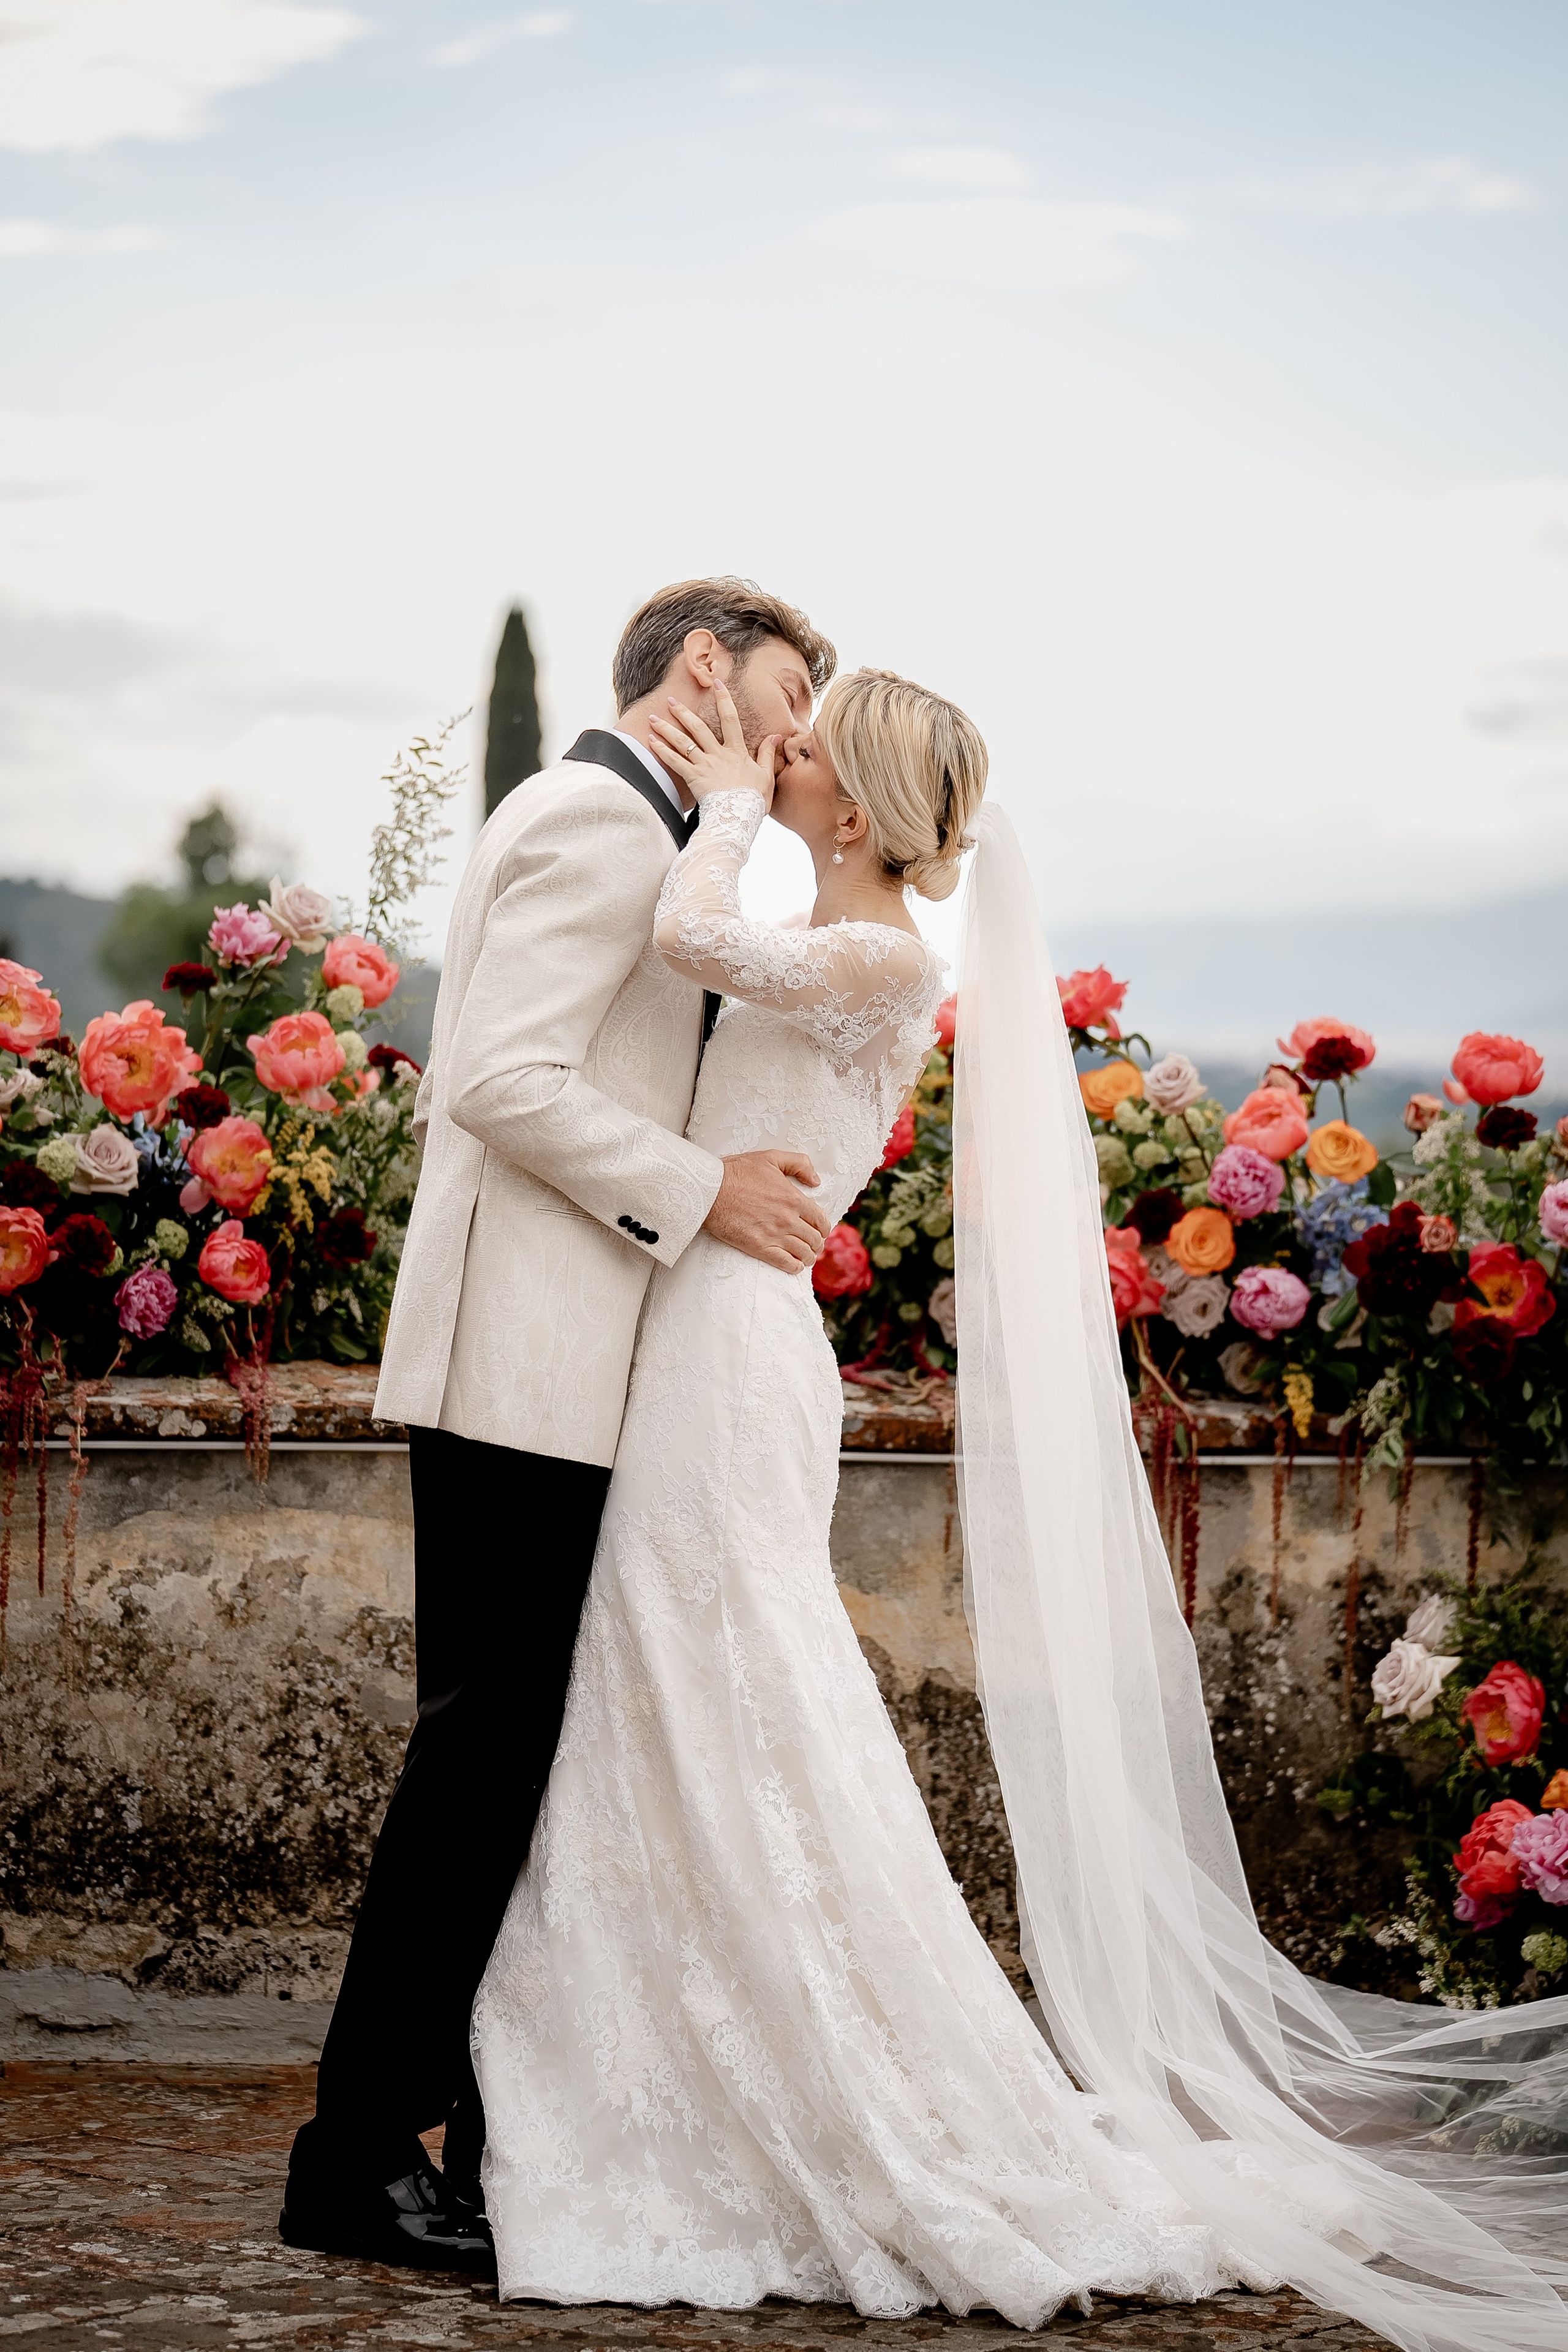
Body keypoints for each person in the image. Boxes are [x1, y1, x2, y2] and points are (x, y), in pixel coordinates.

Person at [472, 671, 1568, 2346]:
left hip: (727, 1355)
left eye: (812, 740)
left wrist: (723, 803)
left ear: (856, 801)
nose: (788, 745)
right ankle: (671, 2043)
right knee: (681, 1687)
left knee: (730, 1683)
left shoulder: (882, 954)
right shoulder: (841, 929)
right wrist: (752, 813)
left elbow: (697, 936)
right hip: (697, 1329)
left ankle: (806, 2080)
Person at [279, 579, 837, 2269]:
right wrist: (707, 1192)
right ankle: (355, 2156)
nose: (803, 732)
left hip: (578, 1375)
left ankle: (465, 2129)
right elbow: (498, 1081)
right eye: (788, 696)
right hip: (520, 1370)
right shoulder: (597, 816)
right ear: (698, 669)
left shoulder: (657, 829)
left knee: (522, 1766)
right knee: (479, 1767)